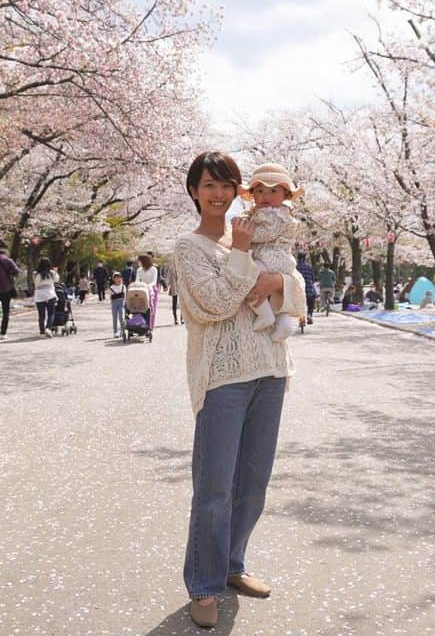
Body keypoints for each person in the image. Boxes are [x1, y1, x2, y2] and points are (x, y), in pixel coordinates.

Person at [173, 151, 301, 629]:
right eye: (209, 185)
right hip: (223, 378)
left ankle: (232, 564)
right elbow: (213, 305)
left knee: (253, 484)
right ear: (193, 191)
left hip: (270, 369)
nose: (218, 194)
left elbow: (297, 290)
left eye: (227, 184)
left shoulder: (257, 232)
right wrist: (251, 263)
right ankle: (203, 585)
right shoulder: (189, 247)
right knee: (215, 489)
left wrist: (276, 281)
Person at [239, 162, 307, 342]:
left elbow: (266, 234)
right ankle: (283, 327)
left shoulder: (278, 214)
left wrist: (247, 232)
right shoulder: (263, 212)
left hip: (273, 257)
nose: (265, 196)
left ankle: (265, 314)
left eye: (273, 191)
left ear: (285, 194)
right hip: (273, 258)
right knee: (278, 296)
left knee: (247, 274)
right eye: (259, 191)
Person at [33, 257, 59, 337]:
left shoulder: (36, 274)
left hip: (39, 295)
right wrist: (55, 272)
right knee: (51, 313)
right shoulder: (52, 273)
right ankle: (48, 328)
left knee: (41, 315)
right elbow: (57, 280)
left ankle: (42, 332)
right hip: (50, 294)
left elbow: (36, 284)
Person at [136, 253, 161, 331]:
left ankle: (150, 326)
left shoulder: (153, 269)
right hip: (142, 289)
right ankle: (141, 323)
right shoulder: (139, 270)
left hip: (151, 290)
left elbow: (154, 281)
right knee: (140, 307)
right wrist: (137, 285)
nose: (138, 263)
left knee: (151, 308)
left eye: (139, 261)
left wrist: (148, 286)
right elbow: (137, 280)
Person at [295, 253, 316, 325]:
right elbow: (313, 279)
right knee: (312, 300)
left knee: (298, 303)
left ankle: (301, 317)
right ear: (305, 258)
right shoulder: (309, 267)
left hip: (298, 290)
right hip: (309, 289)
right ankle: (309, 314)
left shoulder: (295, 267)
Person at [109, 272, 127, 338]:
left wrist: (124, 303)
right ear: (113, 279)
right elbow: (110, 297)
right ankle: (115, 331)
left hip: (121, 303)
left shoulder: (123, 286)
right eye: (116, 278)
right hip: (114, 303)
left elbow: (125, 296)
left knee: (121, 317)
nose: (118, 279)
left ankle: (122, 331)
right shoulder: (111, 287)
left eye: (119, 277)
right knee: (115, 318)